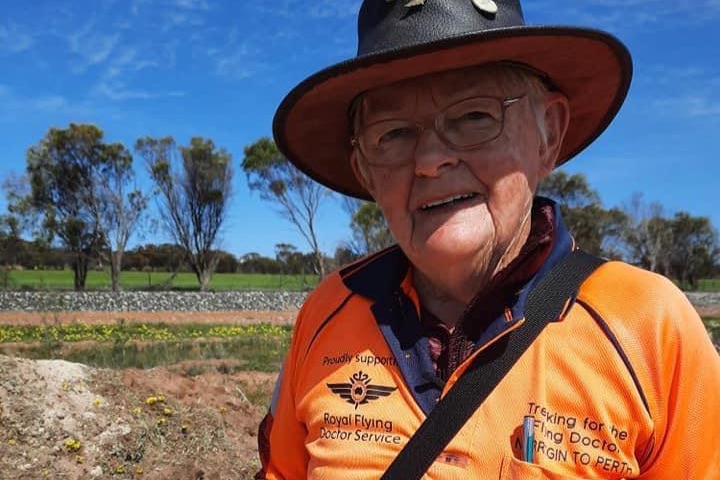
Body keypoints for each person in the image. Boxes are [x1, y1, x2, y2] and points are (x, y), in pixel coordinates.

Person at [256, 1, 720, 478]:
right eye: (393, 133)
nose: (430, 159)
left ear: (549, 135)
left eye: (475, 116)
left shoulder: (648, 326)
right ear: (365, 171)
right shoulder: (326, 312)